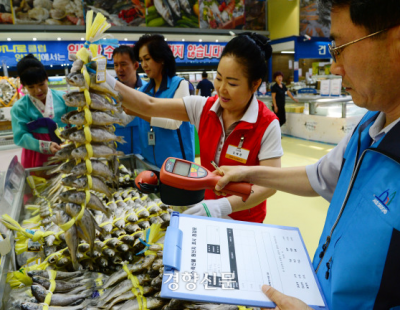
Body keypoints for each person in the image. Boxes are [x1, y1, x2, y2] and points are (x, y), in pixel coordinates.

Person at [214, 0, 400, 308]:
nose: (334, 66)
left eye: (340, 48)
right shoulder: (368, 125)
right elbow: (318, 177)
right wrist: (248, 172)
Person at [77, 32, 283, 223]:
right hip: (206, 208)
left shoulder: (267, 124)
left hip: (246, 220)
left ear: (255, 84)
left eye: (232, 83)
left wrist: (222, 206)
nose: (221, 89)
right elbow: (149, 105)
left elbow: (269, 185)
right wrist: (105, 79)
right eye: (219, 78)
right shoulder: (204, 108)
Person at [124, 34, 195, 168]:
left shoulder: (180, 85)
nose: (143, 65)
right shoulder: (142, 90)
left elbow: (174, 123)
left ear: (161, 58)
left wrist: (140, 113)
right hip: (150, 164)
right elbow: (124, 119)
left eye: (147, 59)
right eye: (141, 60)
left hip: (177, 165)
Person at [11, 54, 75, 169]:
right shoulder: (19, 107)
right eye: (31, 87)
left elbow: (76, 122)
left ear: (47, 78)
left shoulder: (65, 98)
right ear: (23, 86)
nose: (38, 90)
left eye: (41, 84)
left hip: (66, 148)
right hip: (36, 154)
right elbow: (21, 135)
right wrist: (45, 146)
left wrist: (73, 138)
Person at [112, 45, 145, 155]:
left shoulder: (147, 90)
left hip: (144, 155)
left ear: (136, 65)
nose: (119, 69)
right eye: (116, 65)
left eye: (123, 64)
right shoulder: (108, 92)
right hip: (117, 154)